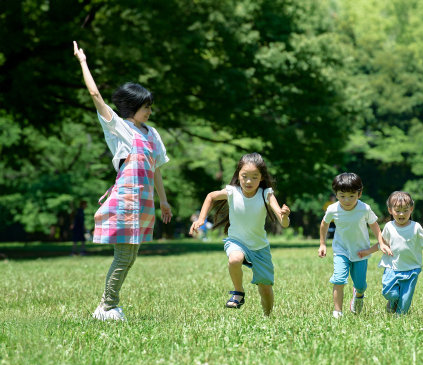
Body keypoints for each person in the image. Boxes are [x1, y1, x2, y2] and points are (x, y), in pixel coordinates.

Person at [74, 41, 173, 322]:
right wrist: (82, 61)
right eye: (146, 107)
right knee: (123, 256)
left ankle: (109, 306)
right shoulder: (119, 127)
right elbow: (94, 94)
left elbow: (155, 170)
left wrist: (163, 202)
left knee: (130, 257)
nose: (150, 111)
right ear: (132, 107)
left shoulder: (152, 134)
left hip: (143, 202)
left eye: (151, 107)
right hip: (126, 199)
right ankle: (106, 307)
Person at [189, 153, 290, 316]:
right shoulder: (232, 192)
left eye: (254, 177)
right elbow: (211, 196)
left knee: (265, 287)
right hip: (236, 241)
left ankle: (268, 317)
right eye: (244, 176)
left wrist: (284, 216)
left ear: (262, 178)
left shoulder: (266, 194)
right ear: (238, 175)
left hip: (259, 247)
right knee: (234, 259)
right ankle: (238, 292)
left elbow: (283, 222)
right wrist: (201, 219)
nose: (248, 181)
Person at [358, 191, 423, 315]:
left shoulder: (416, 227)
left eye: (405, 210)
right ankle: (392, 302)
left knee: (404, 306)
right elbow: (382, 243)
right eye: (397, 211)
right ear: (390, 210)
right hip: (392, 267)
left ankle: (398, 320)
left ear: (411, 209)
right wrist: (368, 252)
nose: (401, 214)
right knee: (389, 293)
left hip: (411, 269)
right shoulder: (389, 227)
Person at [318, 173, 389, 318]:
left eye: (351, 196)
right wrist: (322, 244)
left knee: (361, 285)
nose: (347, 200)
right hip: (341, 250)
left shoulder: (364, 208)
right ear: (336, 194)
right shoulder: (332, 209)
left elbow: (374, 225)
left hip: (360, 251)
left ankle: (358, 294)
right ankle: (337, 311)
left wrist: (381, 242)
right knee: (338, 279)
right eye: (342, 196)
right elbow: (324, 224)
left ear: (359, 193)